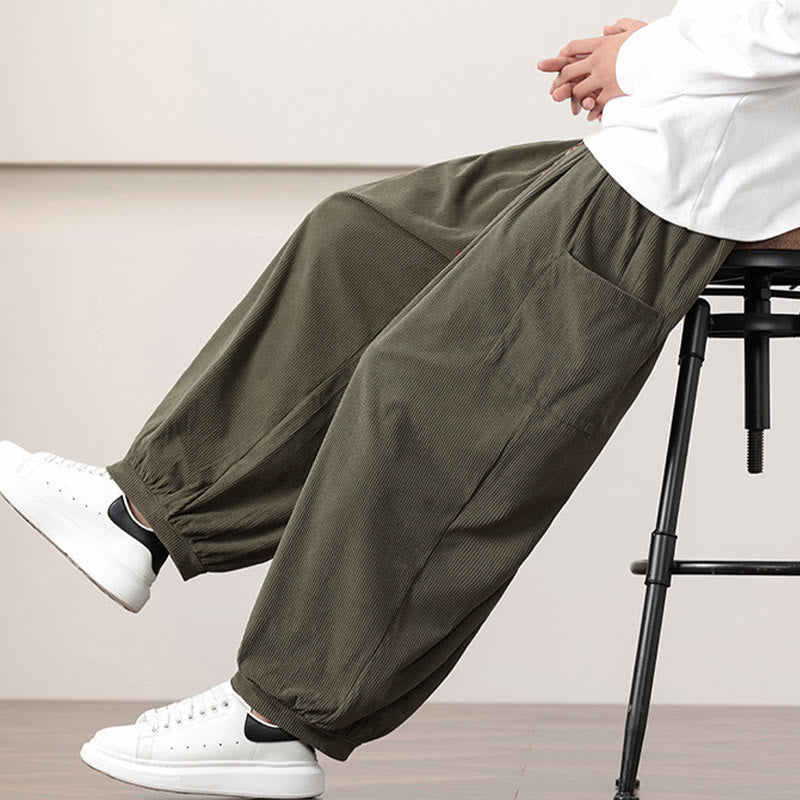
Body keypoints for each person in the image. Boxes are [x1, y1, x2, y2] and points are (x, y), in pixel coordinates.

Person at [2, 2, 799, 797]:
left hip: (709, 179)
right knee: (358, 238)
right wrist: (656, 47)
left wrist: (648, 60)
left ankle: (277, 719)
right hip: (686, 143)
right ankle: (143, 514)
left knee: (432, 398)